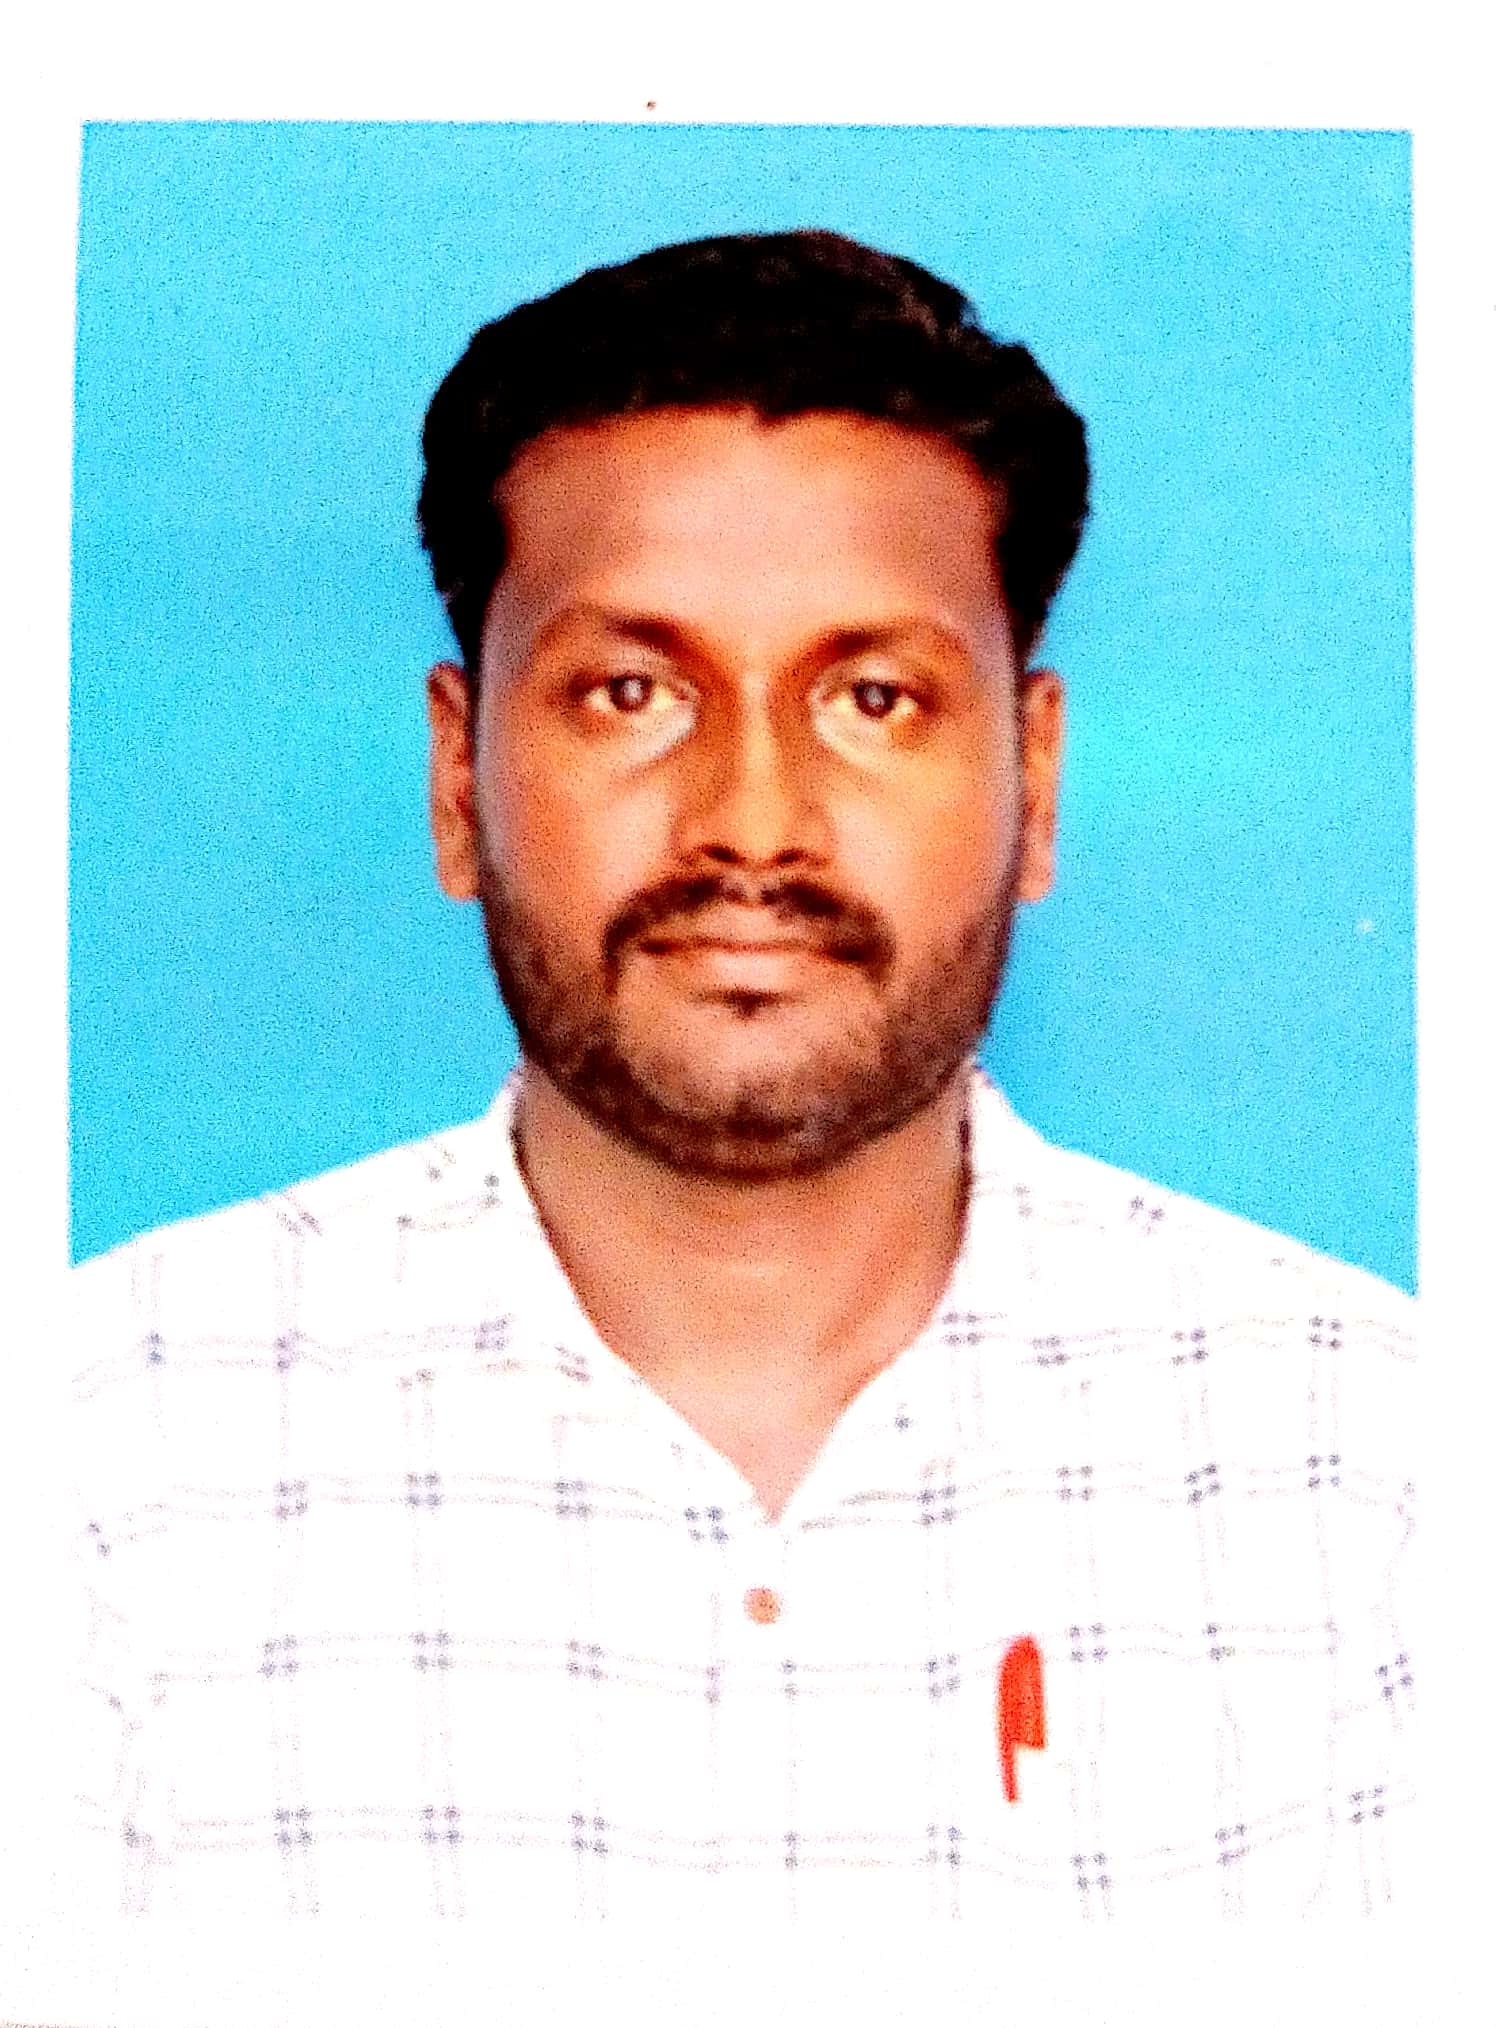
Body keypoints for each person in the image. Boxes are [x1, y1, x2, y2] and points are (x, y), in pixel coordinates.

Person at [68, 229, 1415, 1924]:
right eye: (631, 692)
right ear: (458, 782)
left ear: (1037, 777)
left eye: (875, 698)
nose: (755, 824)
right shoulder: (97, 1457)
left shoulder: (1385, 1470)